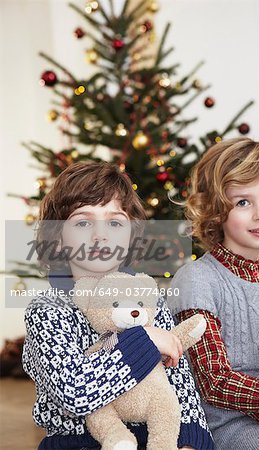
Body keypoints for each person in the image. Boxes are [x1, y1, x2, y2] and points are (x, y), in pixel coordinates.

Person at [22, 161, 214, 450]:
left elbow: (183, 391)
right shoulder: (47, 311)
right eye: (83, 222)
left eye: (114, 222)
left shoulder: (150, 304)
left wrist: (189, 443)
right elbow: (75, 394)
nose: (101, 235)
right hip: (76, 443)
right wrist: (145, 340)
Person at [170, 138, 259, 450]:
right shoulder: (197, 279)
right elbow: (212, 383)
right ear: (215, 211)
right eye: (243, 202)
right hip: (231, 427)